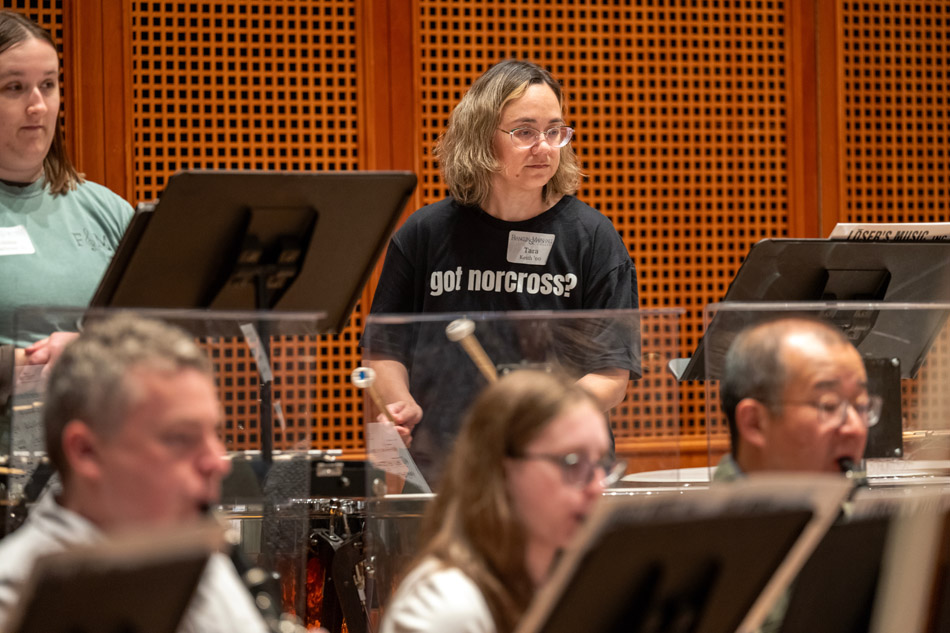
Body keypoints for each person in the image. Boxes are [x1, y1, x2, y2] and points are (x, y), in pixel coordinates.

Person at [362, 59, 639, 484]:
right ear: (480, 136)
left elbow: (610, 377)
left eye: (554, 131)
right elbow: (385, 350)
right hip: (449, 470)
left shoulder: (593, 238)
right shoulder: (426, 233)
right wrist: (400, 404)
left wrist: (534, 420)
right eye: (525, 131)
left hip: (557, 470)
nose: (544, 147)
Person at [0, 313, 271, 633]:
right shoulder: (17, 597)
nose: (218, 462)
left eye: (215, 433)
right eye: (180, 438)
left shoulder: (188, 548)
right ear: (86, 451)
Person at [379, 369, 626, 633]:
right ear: (502, 470)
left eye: (600, 464)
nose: (597, 486)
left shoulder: (569, 586)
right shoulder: (445, 607)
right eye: (572, 462)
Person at [0, 10, 133, 409]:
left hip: (102, 454)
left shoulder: (110, 211)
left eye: (48, 84)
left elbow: (158, 337)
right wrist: (22, 366)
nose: (37, 105)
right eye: (14, 87)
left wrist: (86, 358)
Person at [716, 316, 877, 479]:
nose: (856, 428)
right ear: (755, 423)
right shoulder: (714, 505)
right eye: (829, 406)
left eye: (861, 406)